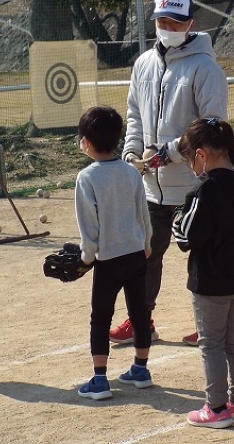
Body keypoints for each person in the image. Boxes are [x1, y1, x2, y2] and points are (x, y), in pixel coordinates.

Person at [111, 0, 228, 347]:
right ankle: (140, 320)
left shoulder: (205, 67)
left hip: (195, 183)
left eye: (175, 23)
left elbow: (212, 124)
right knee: (144, 255)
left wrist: (170, 152)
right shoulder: (143, 64)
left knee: (204, 255)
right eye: (162, 22)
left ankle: (212, 324)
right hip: (152, 186)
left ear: (191, 23)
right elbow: (134, 114)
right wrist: (131, 152)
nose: (168, 28)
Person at [172, 118, 234, 428]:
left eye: (190, 159)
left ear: (201, 154)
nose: (191, 167)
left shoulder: (206, 191)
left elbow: (185, 238)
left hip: (212, 281)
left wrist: (176, 218)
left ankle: (215, 408)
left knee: (211, 344)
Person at [74, 106, 154, 400]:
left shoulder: (87, 177)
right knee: (140, 312)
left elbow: (89, 227)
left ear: (85, 142)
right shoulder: (131, 172)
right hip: (136, 252)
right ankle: (140, 369)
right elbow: (143, 211)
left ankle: (99, 380)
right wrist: (147, 242)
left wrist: (86, 258)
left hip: (108, 259)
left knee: (101, 317)